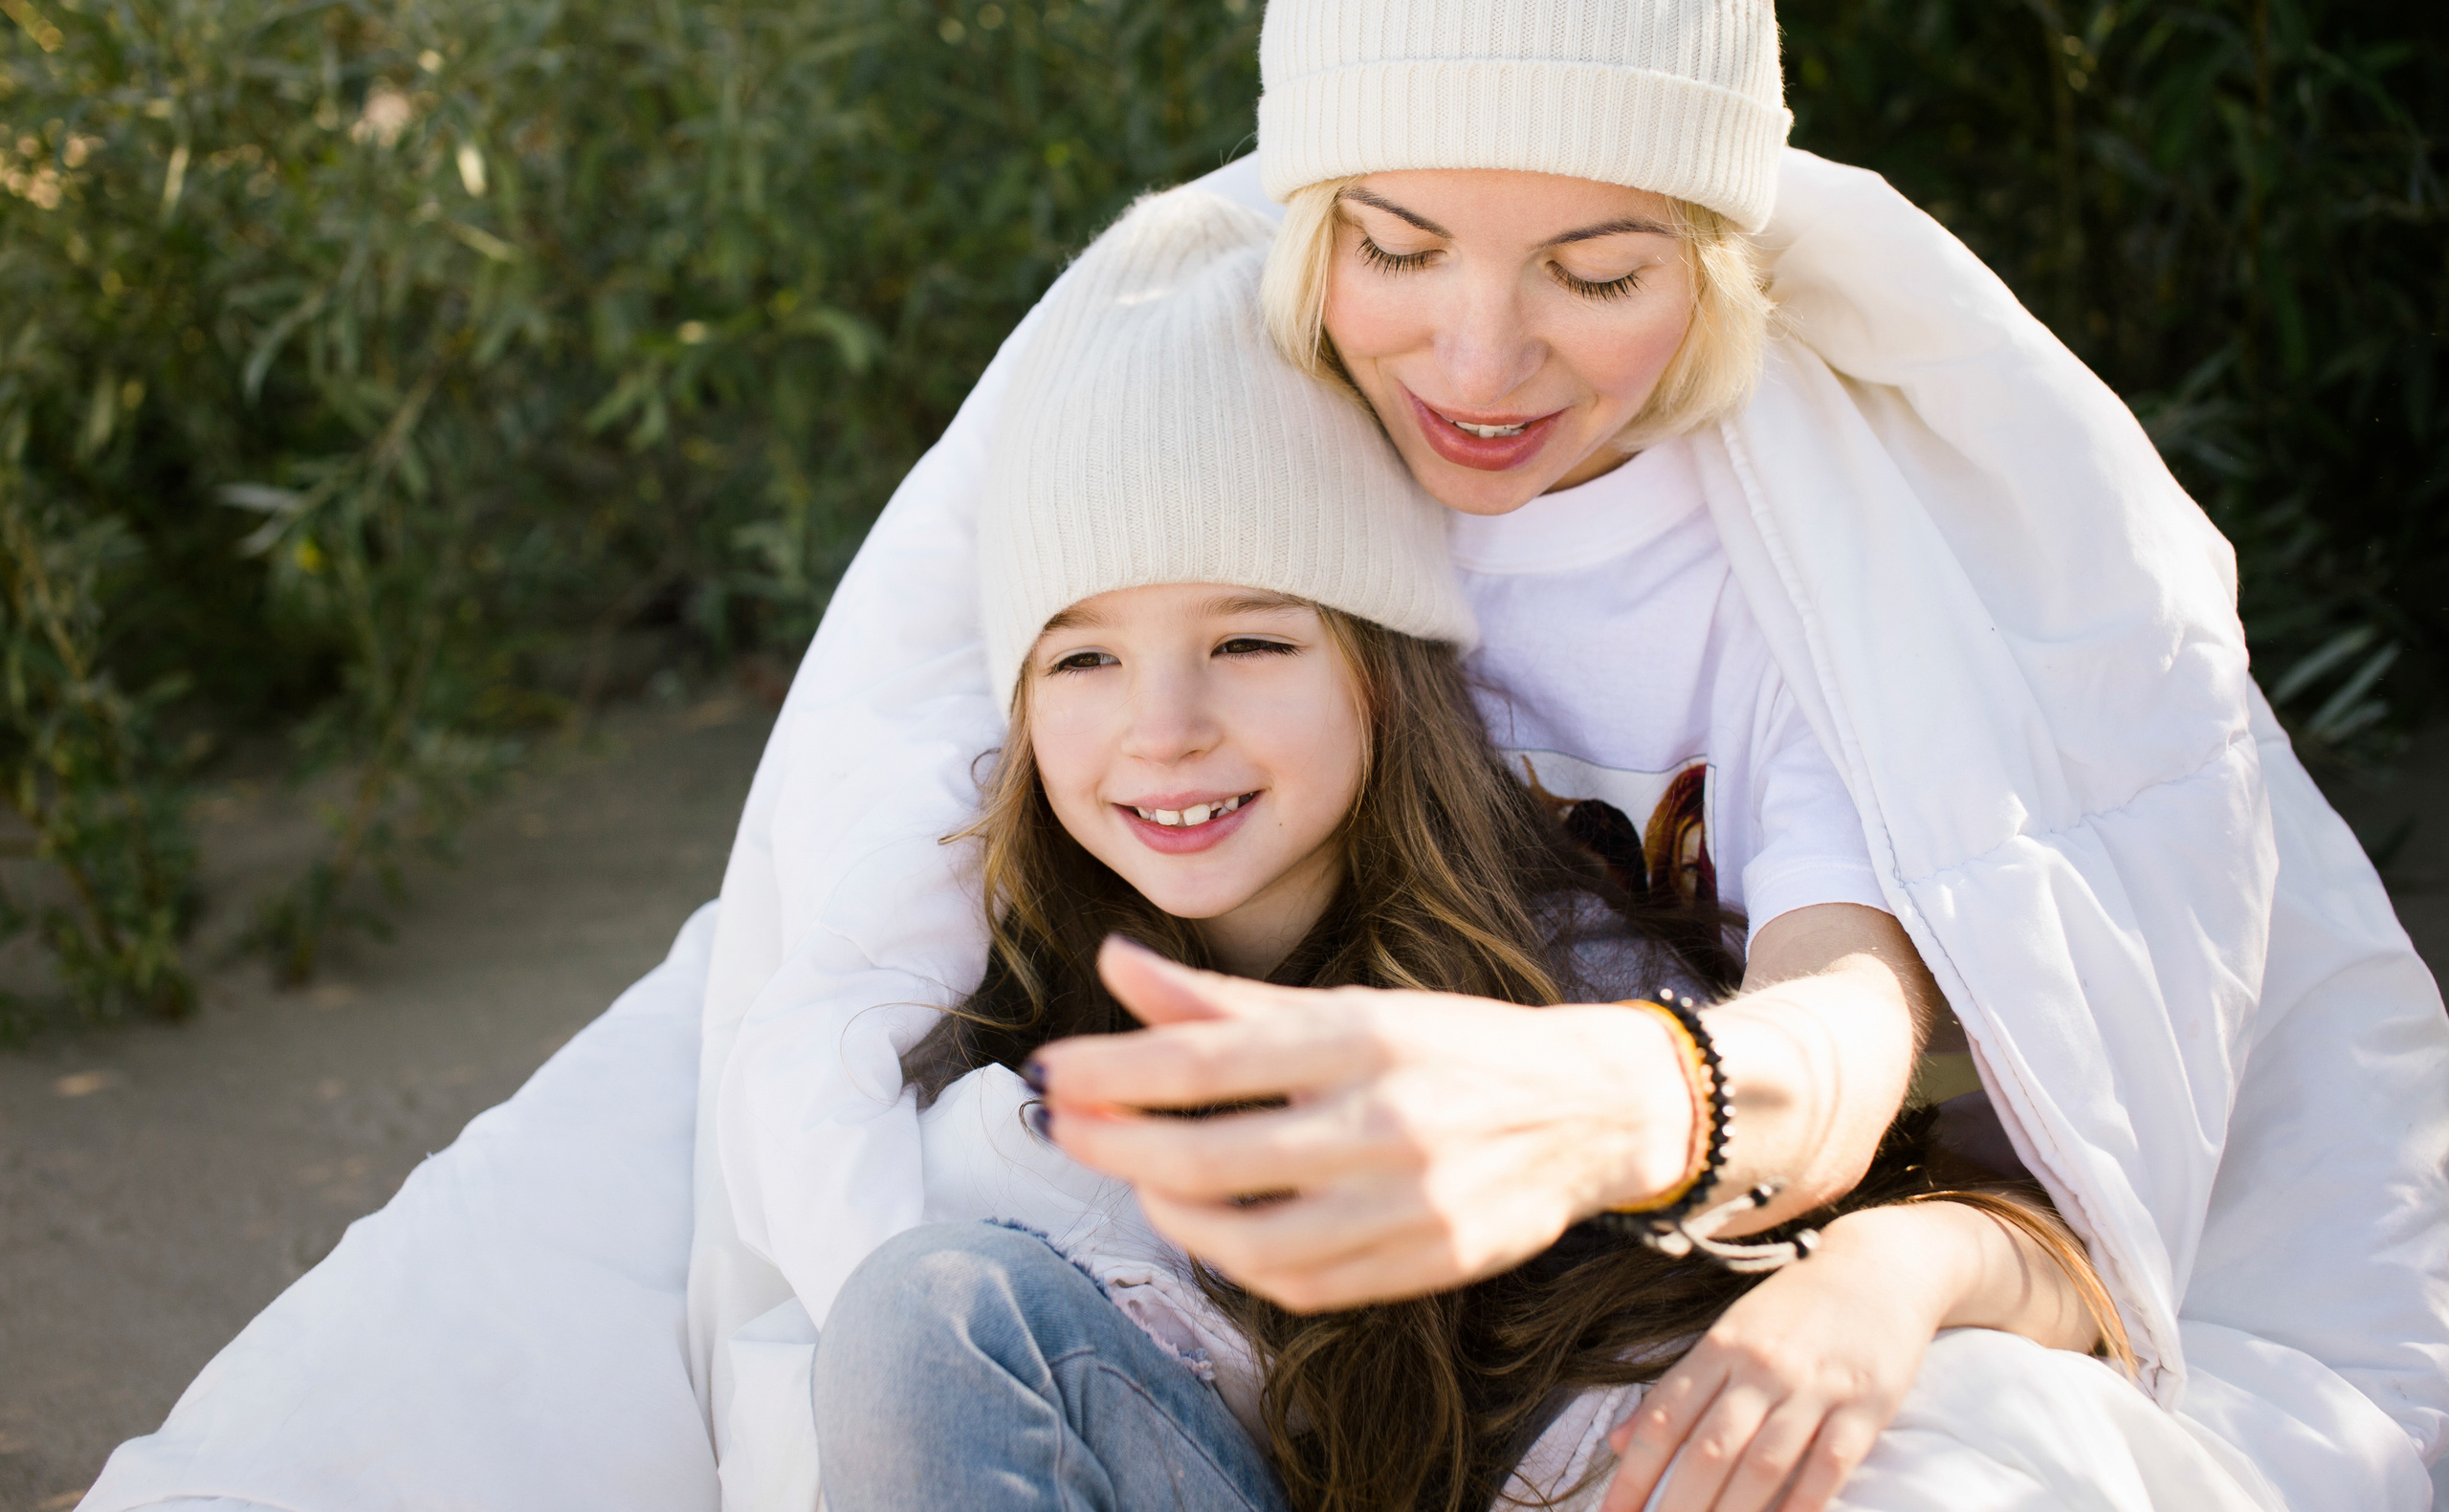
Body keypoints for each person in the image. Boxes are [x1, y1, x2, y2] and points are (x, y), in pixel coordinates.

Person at [693, 0, 2447, 1508]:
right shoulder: (1215, 418)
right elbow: (879, 908)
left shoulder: (1803, 558)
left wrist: (1614, 1109)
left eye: (1597, 274)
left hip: (1651, 1311)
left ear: (1712, 260)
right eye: (1396, 251)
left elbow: (1855, 1028)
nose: (1476, 361)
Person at [814, 183, 2120, 1512]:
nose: (1163, 730)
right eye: (1081, 656)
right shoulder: (1019, 1027)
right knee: (924, 1309)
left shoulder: (1567, 985)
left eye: (1252, 642)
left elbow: (2047, 1239)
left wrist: (1895, 1271)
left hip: (1600, 1461)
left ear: (1384, 677)